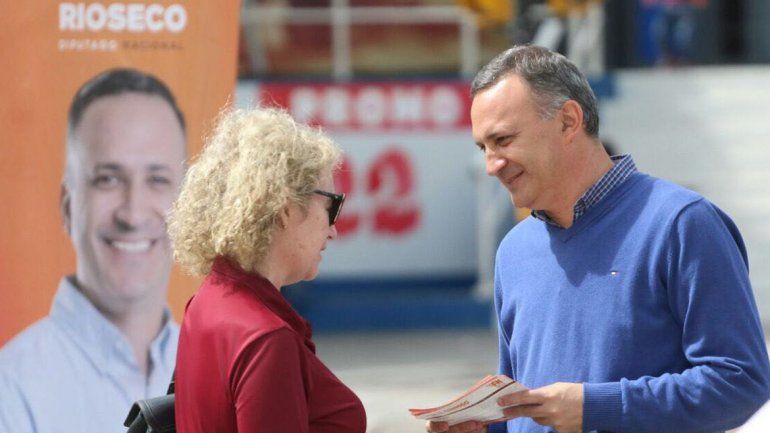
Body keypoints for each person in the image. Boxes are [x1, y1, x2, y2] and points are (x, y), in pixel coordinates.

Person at [429, 45, 770, 433]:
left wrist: (597, 406)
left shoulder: (682, 224)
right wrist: (485, 426)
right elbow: (525, 409)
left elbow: (742, 383)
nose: (491, 165)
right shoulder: (513, 251)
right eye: (483, 147)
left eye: (503, 140)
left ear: (569, 121)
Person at [0, 68, 187, 433]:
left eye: (157, 180)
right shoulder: (11, 387)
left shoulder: (215, 365)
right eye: (108, 179)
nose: (133, 214)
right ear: (68, 206)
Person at [168, 107, 366, 433]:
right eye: (331, 206)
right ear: (286, 208)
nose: (333, 230)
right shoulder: (266, 338)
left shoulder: (211, 299)